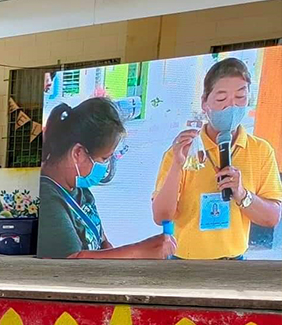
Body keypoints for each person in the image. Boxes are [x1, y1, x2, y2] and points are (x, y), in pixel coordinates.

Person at [152, 57, 282, 260]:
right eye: (222, 99)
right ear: (205, 103)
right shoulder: (184, 150)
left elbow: (272, 218)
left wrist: (241, 194)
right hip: (184, 264)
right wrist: (178, 165)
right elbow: (161, 217)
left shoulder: (261, 151)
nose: (231, 107)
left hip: (234, 264)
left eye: (240, 97)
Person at [37, 97, 175, 259]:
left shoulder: (81, 191)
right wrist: (141, 250)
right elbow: (72, 260)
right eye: (104, 159)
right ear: (78, 153)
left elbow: (102, 243)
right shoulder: (47, 199)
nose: (106, 167)